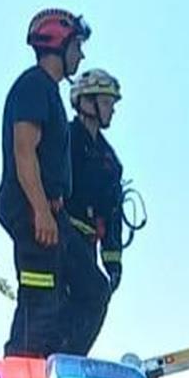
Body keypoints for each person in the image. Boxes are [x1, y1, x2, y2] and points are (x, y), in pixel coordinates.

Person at [0, 8, 90, 357]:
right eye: (77, 46)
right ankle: (26, 366)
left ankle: (57, 358)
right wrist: (40, 211)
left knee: (91, 287)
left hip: (50, 211)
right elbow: (24, 152)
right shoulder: (33, 86)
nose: (81, 55)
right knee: (40, 298)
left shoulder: (48, 92)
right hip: (31, 209)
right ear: (59, 45)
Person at [64, 69, 124, 354]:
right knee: (93, 293)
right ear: (87, 102)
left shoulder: (110, 160)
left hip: (86, 245)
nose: (112, 109)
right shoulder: (62, 140)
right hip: (57, 233)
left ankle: (69, 356)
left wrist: (113, 262)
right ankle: (57, 356)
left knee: (95, 294)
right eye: (107, 101)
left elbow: (112, 216)